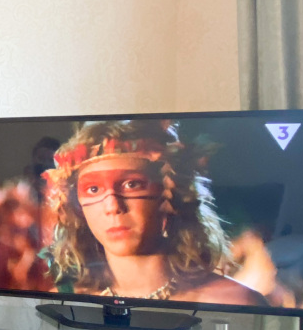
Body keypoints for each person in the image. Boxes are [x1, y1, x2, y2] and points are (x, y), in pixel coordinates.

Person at [42, 119, 267, 306]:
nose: (112, 207)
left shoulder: (234, 301)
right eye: (93, 189)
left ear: (171, 194)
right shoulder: (66, 304)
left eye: (132, 184)